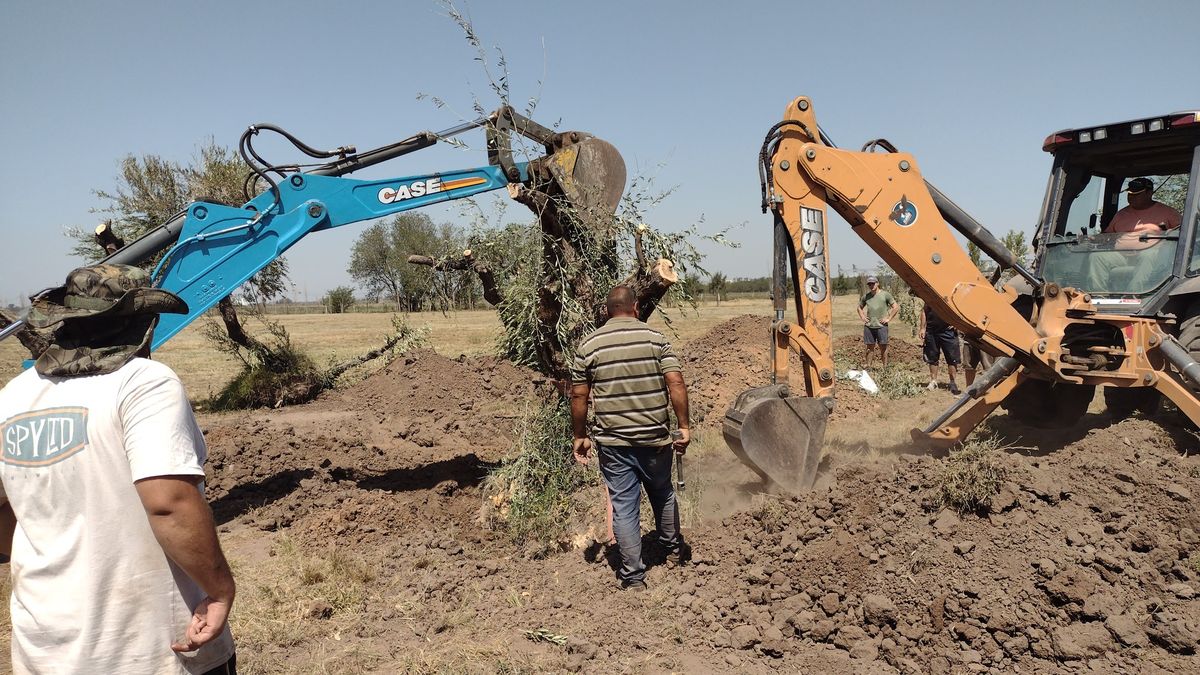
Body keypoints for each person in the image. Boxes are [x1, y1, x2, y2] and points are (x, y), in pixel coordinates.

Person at [0, 264, 236, 674]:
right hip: (148, 647)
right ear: (141, 323)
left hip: (45, 649)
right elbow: (168, 503)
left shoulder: (13, 397)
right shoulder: (144, 383)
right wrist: (218, 590)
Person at [570, 286, 690, 590]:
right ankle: (673, 551)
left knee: (624, 506)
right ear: (635, 307)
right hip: (655, 439)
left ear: (608, 311)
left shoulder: (589, 345)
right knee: (662, 493)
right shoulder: (656, 339)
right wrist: (684, 427)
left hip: (614, 443)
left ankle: (634, 576)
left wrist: (579, 435)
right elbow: (675, 382)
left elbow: (579, 394)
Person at [1088, 177, 1183, 290]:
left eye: (1136, 194)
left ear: (1149, 193)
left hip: (1153, 257)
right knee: (1097, 257)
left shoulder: (1168, 213)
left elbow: (1183, 233)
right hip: (1122, 256)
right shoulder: (1121, 214)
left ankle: (1133, 295)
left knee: (1147, 255)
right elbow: (1108, 235)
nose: (1131, 197)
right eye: (1129, 194)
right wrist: (1095, 238)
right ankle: (1098, 297)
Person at [918, 302, 961, 395]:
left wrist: (957, 323)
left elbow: (960, 309)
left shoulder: (952, 296)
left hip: (949, 331)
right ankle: (933, 381)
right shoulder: (931, 296)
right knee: (932, 357)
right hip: (931, 330)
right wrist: (922, 328)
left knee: (952, 358)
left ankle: (952, 382)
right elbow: (924, 311)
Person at [857, 276, 899, 370]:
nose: (871, 285)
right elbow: (859, 308)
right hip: (869, 326)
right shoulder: (866, 297)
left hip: (881, 326)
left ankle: (885, 368)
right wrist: (863, 317)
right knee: (869, 347)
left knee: (883, 347)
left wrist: (888, 318)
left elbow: (895, 307)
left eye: (873, 283)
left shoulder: (885, 295)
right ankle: (868, 366)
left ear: (877, 283)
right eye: (869, 284)